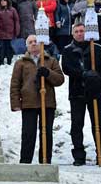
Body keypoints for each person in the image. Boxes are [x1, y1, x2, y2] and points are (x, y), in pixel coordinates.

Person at [61, 23, 101, 166]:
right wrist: (84, 75)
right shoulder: (67, 50)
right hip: (77, 92)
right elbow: (66, 68)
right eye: (77, 31)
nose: (80, 34)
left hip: (95, 92)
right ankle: (79, 156)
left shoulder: (97, 49)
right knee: (77, 125)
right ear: (73, 34)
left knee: (99, 124)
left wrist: (97, 78)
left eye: (82, 31)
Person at [10, 34, 64, 164]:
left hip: (47, 102)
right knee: (28, 133)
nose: (33, 44)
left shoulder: (50, 61)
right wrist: (15, 102)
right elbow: (15, 84)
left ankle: (45, 160)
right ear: (27, 46)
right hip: (29, 103)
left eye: (36, 41)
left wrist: (48, 73)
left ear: (41, 44)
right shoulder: (20, 63)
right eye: (30, 42)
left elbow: (60, 79)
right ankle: (25, 161)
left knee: (46, 133)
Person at [0, 0, 20, 65]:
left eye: (4, 1)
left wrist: (17, 30)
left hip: (10, 32)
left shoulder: (13, 10)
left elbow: (16, 20)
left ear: (7, 2)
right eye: (1, 1)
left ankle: (9, 61)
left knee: (9, 48)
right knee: (1, 48)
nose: (3, 2)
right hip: (0, 32)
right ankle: (1, 61)